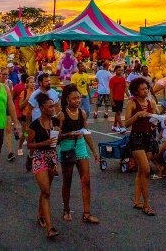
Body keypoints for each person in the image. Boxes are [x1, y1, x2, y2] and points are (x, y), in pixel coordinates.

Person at [56, 85, 100, 224]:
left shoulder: (82, 113)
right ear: (67, 99)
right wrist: (66, 135)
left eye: (78, 98)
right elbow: (56, 138)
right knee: (67, 180)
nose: (77, 100)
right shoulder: (62, 115)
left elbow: (86, 133)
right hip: (67, 147)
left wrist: (94, 151)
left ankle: (86, 213)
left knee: (86, 180)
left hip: (80, 146)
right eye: (74, 98)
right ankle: (66, 209)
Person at [27, 93, 61, 239]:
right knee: (46, 191)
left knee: (45, 190)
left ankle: (40, 213)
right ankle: (50, 227)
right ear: (42, 108)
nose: (53, 109)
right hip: (39, 157)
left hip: (52, 157)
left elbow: (55, 143)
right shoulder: (34, 125)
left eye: (53, 106)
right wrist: (43, 144)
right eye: (50, 107)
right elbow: (29, 145)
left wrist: (59, 136)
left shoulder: (55, 121)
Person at [124, 78, 157, 216]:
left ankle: (137, 200)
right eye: (143, 89)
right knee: (146, 170)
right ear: (136, 91)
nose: (146, 91)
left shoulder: (152, 103)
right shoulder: (132, 103)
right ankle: (146, 203)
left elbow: (155, 119)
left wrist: (154, 122)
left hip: (148, 137)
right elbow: (126, 124)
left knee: (141, 172)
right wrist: (137, 115)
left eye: (146, 88)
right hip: (136, 138)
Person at [14, 75, 33, 156]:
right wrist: (27, 99)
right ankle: (20, 147)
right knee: (26, 133)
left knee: (32, 133)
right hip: (25, 115)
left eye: (34, 82)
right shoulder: (24, 92)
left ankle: (32, 151)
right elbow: (20, 105)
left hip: (34, 116)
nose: (33, 83)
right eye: (31, 82)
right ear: (27, 84)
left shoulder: (36, 92)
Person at [109, 65, 128, 133]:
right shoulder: (112, 79)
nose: (120, 71)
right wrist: (111, 100)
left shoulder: (123, 79)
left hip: (121, 98)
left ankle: (114, 126)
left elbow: (125, 88)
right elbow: (111, 90)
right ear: (115, 71)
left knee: (118, 113)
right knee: (118, 112)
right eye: (118, 70)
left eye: (121, 70)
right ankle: (122, 126)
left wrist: (129, 96)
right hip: (115, 99)